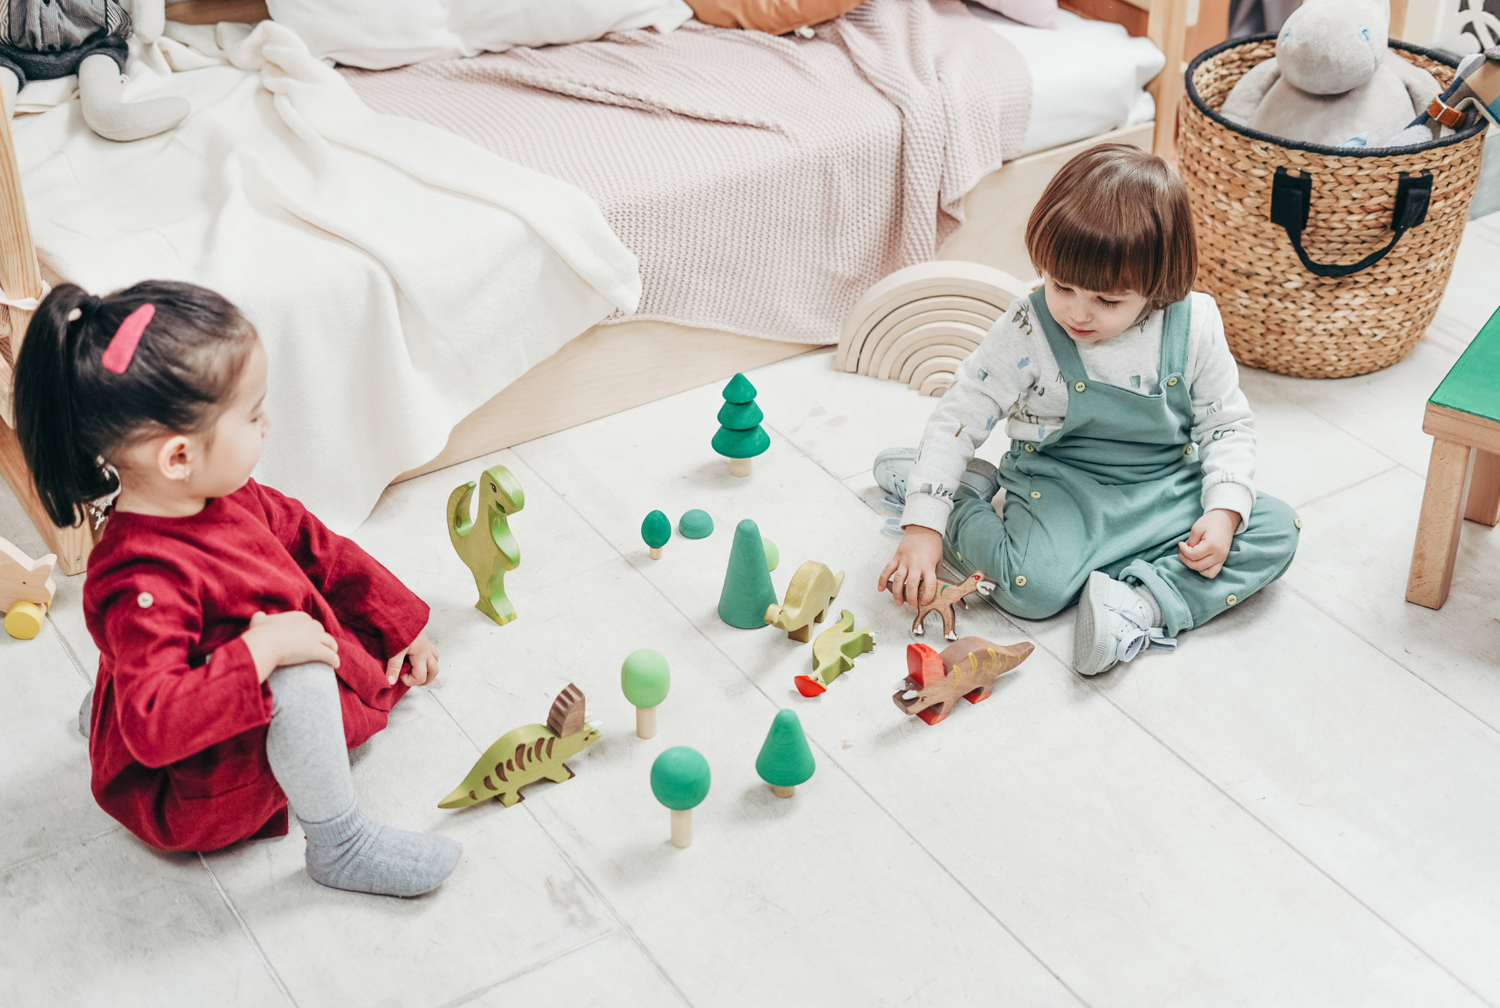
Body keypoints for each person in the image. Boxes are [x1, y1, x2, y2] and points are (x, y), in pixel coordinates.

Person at [13, 280, 460, 897]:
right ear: (177, 457)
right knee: (299, 672)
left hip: (201, 686)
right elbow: (155, 726)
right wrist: (261, 653)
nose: (268, 424)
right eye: (251, 416)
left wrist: (397, 622)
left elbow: (313, 543)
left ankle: (106, 715)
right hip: (195, 782)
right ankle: (341, 843)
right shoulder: (137, 579)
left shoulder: (219, 492)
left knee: (282, 629)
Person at [874, 144, 1299, 675]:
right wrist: (923, 527)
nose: (1077, 311)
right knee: (1032, 592)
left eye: (1107, 300)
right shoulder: (1028, 328)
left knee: (1276, 527)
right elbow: (958, 416)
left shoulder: (1196, 323)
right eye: (1062, 285)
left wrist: (1223, 512)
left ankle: (1139, 606)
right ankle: (954, 496)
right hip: (1060, 487)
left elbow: (1226, 426)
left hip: (1164, 486)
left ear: (1157, 283)